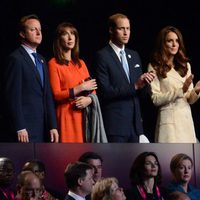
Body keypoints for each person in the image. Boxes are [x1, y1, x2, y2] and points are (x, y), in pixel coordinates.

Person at [93, 13, 155, 142]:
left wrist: (146, 82)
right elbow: (105, 92)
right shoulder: (102, 56)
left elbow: (141, 94)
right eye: (121, 28)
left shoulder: (134, 55)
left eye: (128, 28)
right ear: (111, 30)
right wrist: (135, 85)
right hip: (116, 126)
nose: (126, 32)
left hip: (135, 126)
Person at [3, 14, 59, 142]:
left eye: (40, 29)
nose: (39, 33)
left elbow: (47, 96)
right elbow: (13, 97)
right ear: (22, 34)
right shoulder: (16, 59)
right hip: (26, 130)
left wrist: (52, 126)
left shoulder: (42, 60)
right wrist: (20, 126)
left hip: (43, 128)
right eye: (33, 29)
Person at [147, 25, 200, 143]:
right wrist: (180, 91)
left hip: (186, 121)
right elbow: (155, 99)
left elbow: (189, 99)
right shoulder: (154, 66)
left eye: (177, 41)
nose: (174, 44)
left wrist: (196, 90)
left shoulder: (186, 65)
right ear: (163, 43)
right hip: (169, 124)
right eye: (170, 41)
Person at [48, 22, 99, 143]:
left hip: (84, 115)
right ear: (59, 39)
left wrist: (89, 100)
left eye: (73, 34)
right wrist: (80, 88)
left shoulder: (81, 63)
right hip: (67, 115)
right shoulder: (53, 63)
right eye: (65, 34)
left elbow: (93, 90)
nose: (70, 38)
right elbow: (56, 95)